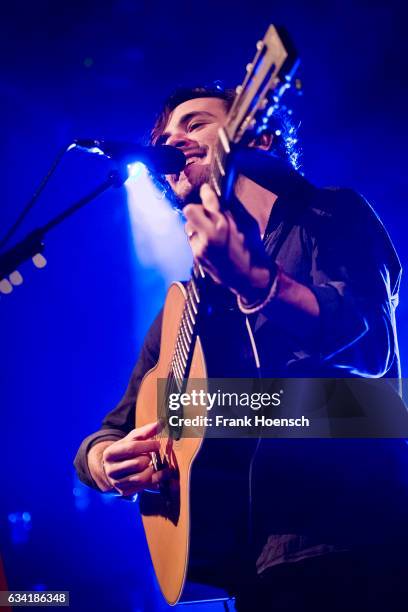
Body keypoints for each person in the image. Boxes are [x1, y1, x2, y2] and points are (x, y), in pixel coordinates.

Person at [75, 86, 408, 610]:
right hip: (252, 567)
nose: (172, 140)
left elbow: (373, 366)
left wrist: (258, 283)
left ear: (258, 132)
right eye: (164, 136)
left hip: (353, 544)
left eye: (195, 124)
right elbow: (110, 432)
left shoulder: (330, 214)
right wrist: (105, 462)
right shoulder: (183, 305)